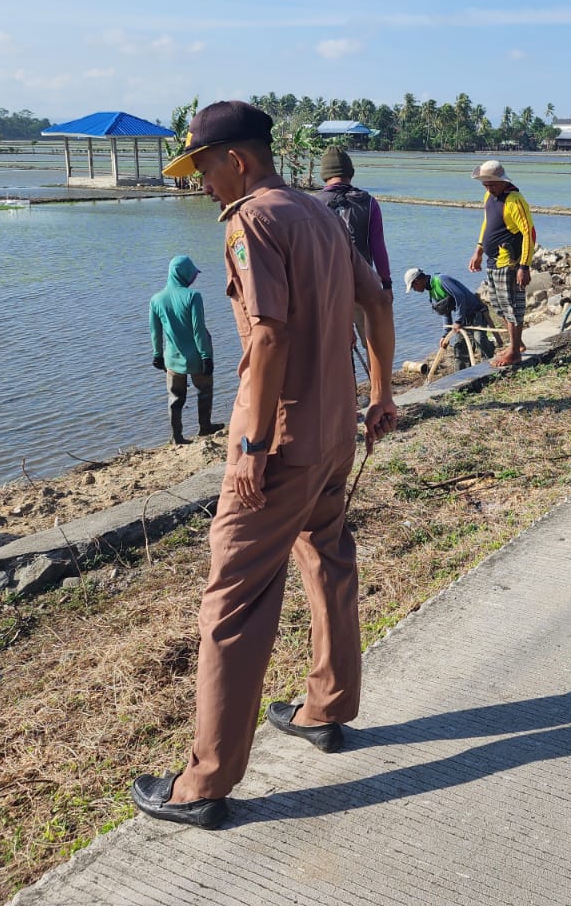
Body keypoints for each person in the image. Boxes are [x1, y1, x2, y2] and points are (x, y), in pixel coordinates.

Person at [131, 100, 398, 830]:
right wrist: (382, 393)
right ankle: (326, 708)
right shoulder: (317, 213)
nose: (202, 184)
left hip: (279, 442)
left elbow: (269, 337)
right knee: (329, 558)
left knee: (233, 602)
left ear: (237, 161)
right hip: (337, 431)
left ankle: (204, 783)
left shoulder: (251, 219)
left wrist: (247, 442)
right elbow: (376, 299)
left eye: (204, 168)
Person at [313, 146, 391, 358]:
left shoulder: (312, 204)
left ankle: (346, 390)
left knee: (336, 347)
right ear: (350, 173)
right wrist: (386, 285)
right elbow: (378, 247)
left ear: (325, 175)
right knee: (373, 343)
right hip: (364, 284)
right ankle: (380, 388)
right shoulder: (368, 202)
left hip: (328, 289)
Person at [469, 159, 536, 368]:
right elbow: (487, 223)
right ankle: (517, 344)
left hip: (509, 262)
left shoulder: (514, 200)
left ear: (503, 181)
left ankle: (514, 352)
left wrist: (524, 266)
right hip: (492, 260)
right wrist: (478, 250)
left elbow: (529, 233)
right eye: (485, 184)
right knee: (499, 306)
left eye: (492, 184)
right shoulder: (489, 196)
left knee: (512, 305)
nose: (489, 188)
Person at [148, 254, 217, 445]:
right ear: (185, 274)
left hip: (172, 359)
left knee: (175, 397)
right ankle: (205, 427)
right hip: (196, 356)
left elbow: (155, 332)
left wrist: (157, 355)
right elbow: (198, 330)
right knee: (204, 390)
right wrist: (206, 356)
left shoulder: (156, 299)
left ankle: (176, 437)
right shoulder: (193, 296)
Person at [404, 266, 497, 369]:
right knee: (460, 348)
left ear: (417, 281)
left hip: (476, 312)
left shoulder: (441, 280)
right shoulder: (432, 292)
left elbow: (460, 297)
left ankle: (490, 366)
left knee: (479, 340)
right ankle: (463, 375)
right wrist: (445, 335)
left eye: (413, 287)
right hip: (463, 319)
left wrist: (457, 321)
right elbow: (445, 312)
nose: (415, 290)